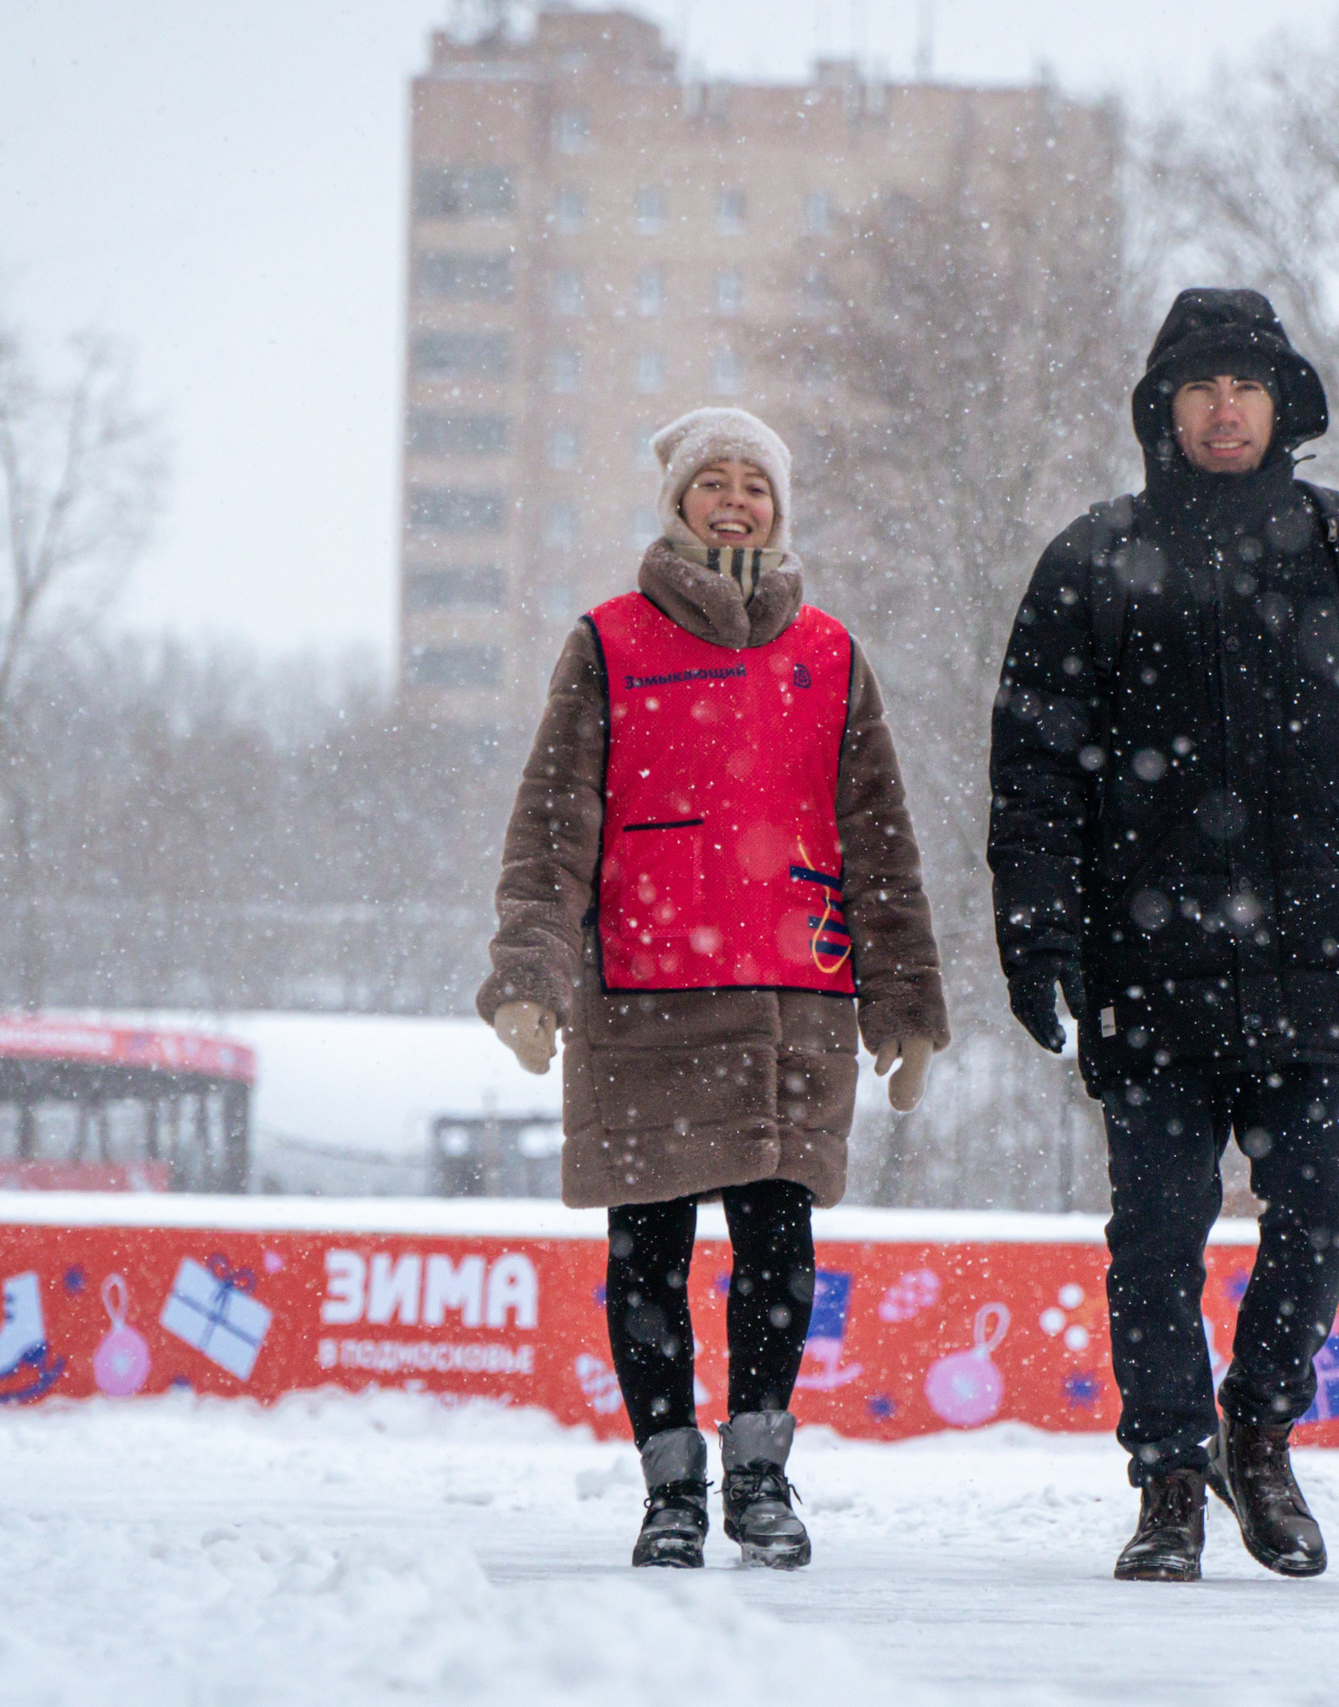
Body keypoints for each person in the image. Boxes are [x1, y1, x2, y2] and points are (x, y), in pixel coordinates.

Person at [989, 288, 1339, 1582]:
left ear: (1281, 404)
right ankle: (1168, 1482)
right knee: (1155, 1233)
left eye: (1245, 384)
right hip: (1146, 966)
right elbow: (1033, 772)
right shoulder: (1093, 557)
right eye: (1199, 385)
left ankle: (1255, 1427)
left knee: (1324, 1208)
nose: (1223, 404)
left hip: (1316, 958)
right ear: (1164, 406)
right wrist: (1036, 935)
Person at [479, 406, 948, 1570]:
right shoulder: (610, 641)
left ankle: (760, 1474)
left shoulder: (831, 655)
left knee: (778, 1246)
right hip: (644, 993)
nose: (736, 500)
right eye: (715, 482)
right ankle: (669, 1489)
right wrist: (528, 976)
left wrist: (904, 1003)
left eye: (757, 484)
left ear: (780, 508)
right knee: (648, 1249)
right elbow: (551, 826)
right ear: (678, 502)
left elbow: (879, 841)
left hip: (797, 996)